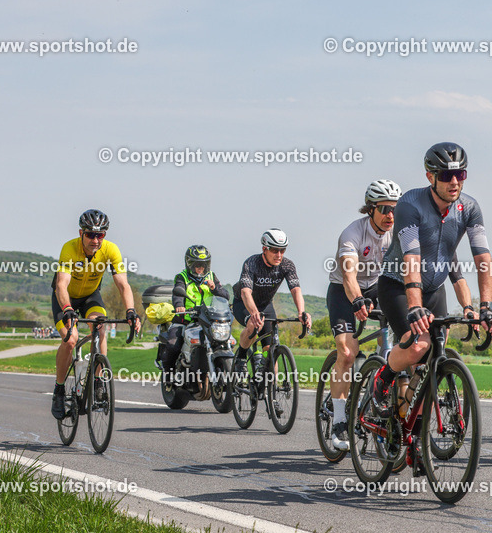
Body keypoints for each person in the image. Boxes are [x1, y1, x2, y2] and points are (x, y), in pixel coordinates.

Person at [371, 142, 492, 423]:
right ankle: (384, 378)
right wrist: (415, 306)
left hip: (434, 289)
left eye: (460, 175)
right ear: (430, 176)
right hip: (397, 285)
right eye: (445, 175)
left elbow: (483, 258)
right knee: (417, 346)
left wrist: (485, 307)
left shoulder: (469, 207)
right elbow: (411, 256)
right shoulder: (410, 203)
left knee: (435, 355)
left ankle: (412, 419)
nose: (454, 182)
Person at [325, 179, 401, 450]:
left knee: (394, 347)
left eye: (395, 208)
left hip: (379, 288)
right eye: (384, 209)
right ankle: (338, 420)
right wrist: (357, 299)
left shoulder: (399, 234)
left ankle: (376, 390)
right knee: (347, 353)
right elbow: (348, 273)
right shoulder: (352, 233)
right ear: (370, 209)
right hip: (344, 289)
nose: (390, 215)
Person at [51, 209, 141, 419]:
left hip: (91, 296)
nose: (95, 240)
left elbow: (123, 284)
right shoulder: (69, 248)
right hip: (65, 299)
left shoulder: (110, 250)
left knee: (99, 327)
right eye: (91, 234)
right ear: (81, 233)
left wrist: (131, 311)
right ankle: (59, 389)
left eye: (100, 235)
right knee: (71, 339)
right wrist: (67, 310)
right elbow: (61, 284)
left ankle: (99, 383)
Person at [232, 229, 312, 389]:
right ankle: (241, 357)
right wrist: (254, 313)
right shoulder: (252, 263)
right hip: (244, 303)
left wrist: (302, 312)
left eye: (283, 250)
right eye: (275, 250)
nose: (279, 255)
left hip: (266, 305)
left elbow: (295, 289)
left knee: (271, 347)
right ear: (264, 249)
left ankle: (269, 386)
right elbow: (245, 292)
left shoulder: (287, 265)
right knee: (254, 324)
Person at [158, 245, 230, 373]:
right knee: (173, 344)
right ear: (189, 264)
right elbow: (177, 294)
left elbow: (225, 296)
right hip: (185, 320)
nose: (200, 268)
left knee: (224, 340)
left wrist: (215, 288)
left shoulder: (211, 277)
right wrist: (179, 306)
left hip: (207, 321)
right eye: (197, 265)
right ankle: (168, 373)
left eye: (203, 265)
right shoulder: (182, 277)